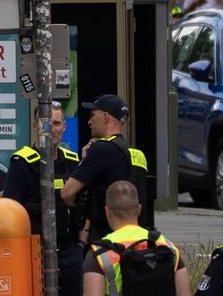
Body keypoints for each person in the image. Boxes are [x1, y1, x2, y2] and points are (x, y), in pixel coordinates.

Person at [0, 101, 82, 296]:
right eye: (49, 124)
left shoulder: (72, 161)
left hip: (70, 252)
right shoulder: (24, 162)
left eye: (60, 124)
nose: (55, 130)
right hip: (36, 255)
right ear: (38, 126)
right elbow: (11, 209)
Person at [61, 93, 154, 236]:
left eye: (92, 115)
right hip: (136, 239)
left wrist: (84, 161)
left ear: (105, 117)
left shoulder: (101, 149)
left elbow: (67, 193)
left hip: (108, 240)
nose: (89, 121)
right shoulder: (136, 154)